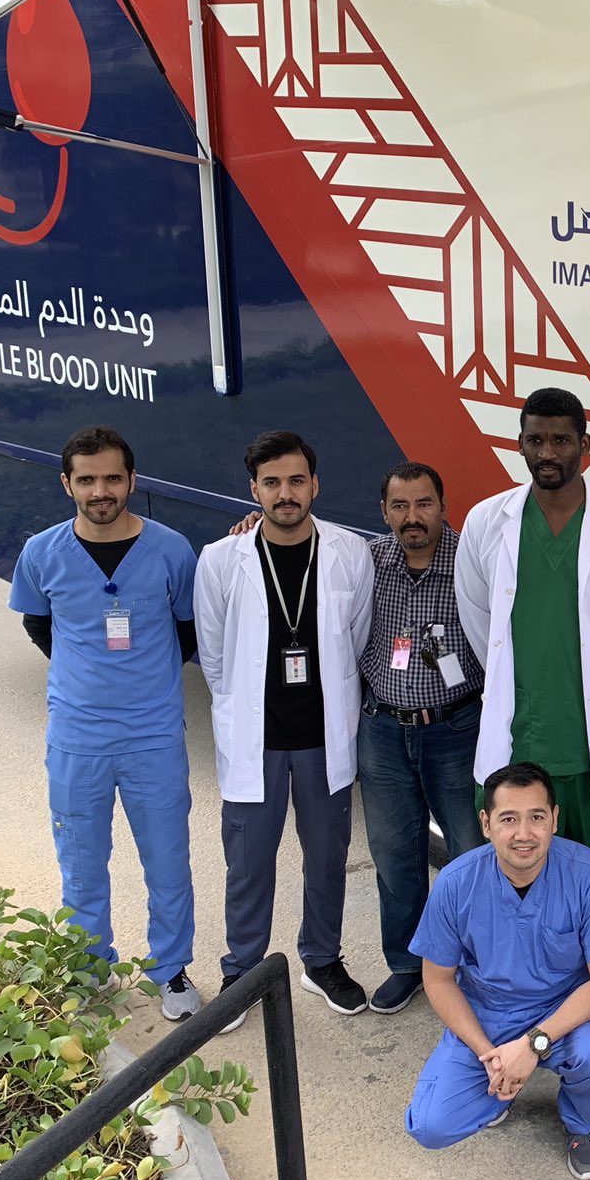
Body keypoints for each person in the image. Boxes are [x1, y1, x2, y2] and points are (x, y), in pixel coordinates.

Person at [456, 387, 590, 1067]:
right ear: (521, 443)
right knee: (519, 890)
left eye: (560, 440)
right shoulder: (488, 522)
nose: (547, 452)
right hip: (519, 746)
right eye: (535, 440)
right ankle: (524, 1010)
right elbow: (479, 621)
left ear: (586, 445)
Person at [9, 425, 201, 1019]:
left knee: (168, 862)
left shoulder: (171, 550)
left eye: (113, 478)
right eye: (87, 479)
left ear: (132, 481)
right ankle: (88, 970)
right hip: (78, 738)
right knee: (81, 864)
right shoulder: (42, 553)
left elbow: (188, 630)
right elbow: (38, 623)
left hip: (152, 737)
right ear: (66, 484)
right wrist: (85, 676)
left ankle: (171, 971)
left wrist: (142, 680)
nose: (101, 491)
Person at [196, 431, 374, 1024]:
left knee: (327, 858)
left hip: (324, 738)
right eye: (271, 483)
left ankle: (321, 960)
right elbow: (214, 654)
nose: (285, 493)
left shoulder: (350, 552)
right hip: (257, 742)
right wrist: (237, 705)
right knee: (248, 863)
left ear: (315, 484)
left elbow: (358, 636)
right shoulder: (221, 559)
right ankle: (242, 971)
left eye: (297, 480)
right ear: (254, 490)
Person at [403, 762, 590, 1180]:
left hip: (565, 1010)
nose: (524, 834)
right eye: (508, 819)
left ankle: (582, 1123)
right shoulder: (456, 883)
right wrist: (487, 1055)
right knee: (431, 1126)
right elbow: (437, 980)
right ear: (486, 824)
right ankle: (500, 1087)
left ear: (555, 820)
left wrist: (532, 1045)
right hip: (488, 1014)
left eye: (537, 817)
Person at [356, 461, 485, 1016]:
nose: (413, 517)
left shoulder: (471, 561)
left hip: (455, 728)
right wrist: (248, 526)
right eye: (401, 506)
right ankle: (408, 964)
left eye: (424, 504)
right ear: (384, 512)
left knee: (471, 853)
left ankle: (476, 966)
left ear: (444, 507)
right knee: (393, 854)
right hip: (383, 730)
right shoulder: (367, 560)